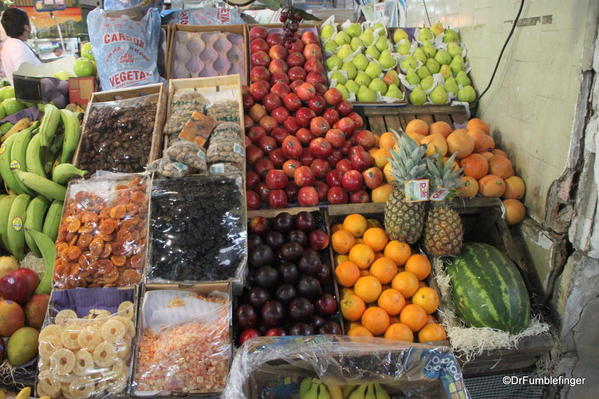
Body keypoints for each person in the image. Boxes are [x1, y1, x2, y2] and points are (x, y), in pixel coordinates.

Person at [0, 8, 41, 85]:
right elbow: (25, 77)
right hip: (32, 95)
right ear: (26, 27)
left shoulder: (9, 44)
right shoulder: (18, 47)